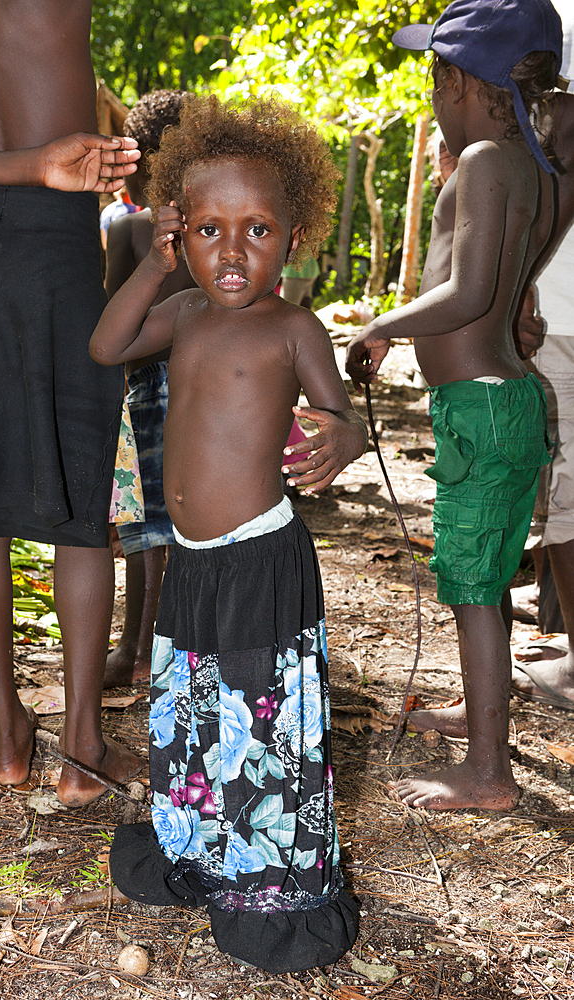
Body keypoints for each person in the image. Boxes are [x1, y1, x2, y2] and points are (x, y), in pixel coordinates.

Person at [91, 94, 367, 972]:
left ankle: (271, 889)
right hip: (196, 564)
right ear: (181, 235)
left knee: (261, 725)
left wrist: (340, 437)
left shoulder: (292, 328)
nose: (233, 251)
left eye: (256, 230)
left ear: (293, 235)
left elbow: (339, 412)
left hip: (259, 557)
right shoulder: (184, 316)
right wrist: (152, 264)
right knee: (195, 714)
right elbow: (106, 346)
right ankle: (201, 849)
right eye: (207, 231)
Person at [0, 0, 146, 807]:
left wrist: (20, 163)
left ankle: (7, 729)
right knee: (80, 498)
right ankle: (82, 741)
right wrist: (42, 165)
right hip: (55, 242)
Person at [346, 0, 561, 811]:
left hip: (477, 405)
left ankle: (487, 773)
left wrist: (378, 326)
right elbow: (509, 285)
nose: (433, 89)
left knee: (472, 586)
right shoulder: (532, 166)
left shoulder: (478, 159)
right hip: (503, 398)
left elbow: (466, 290)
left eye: (437, 74)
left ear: (460, 80)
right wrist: (517, 311)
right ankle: (481, 711)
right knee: (489, 569)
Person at [103, 90, 196, 689]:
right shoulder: (206, 227)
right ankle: (148, 644)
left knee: (148, 530)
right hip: (184, 387)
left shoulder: (135, 229)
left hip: (155, 388)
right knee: (165, 525)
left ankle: (141, 646)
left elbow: (111, 314)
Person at [509, 1, 574, 711]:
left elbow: (567, 148)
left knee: (563, 497)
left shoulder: (559, 19)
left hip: (562, 300)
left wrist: (520, 274)